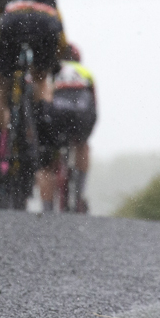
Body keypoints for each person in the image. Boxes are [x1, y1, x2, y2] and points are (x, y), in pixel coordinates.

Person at [0, 0, 66, 208]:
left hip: (13, 22)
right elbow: (59, 23)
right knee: (40, 78)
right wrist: (56, 56)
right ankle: (44, 122)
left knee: (0, 84)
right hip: (46, 24)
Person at [50, 44, 97, 212]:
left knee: (49, 157)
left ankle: (47, 206)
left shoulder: (52, 70)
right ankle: (79, 193)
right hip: (81, 114)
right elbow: (94, 102)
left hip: (57, 112)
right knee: (83, 146)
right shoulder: (85, 72)